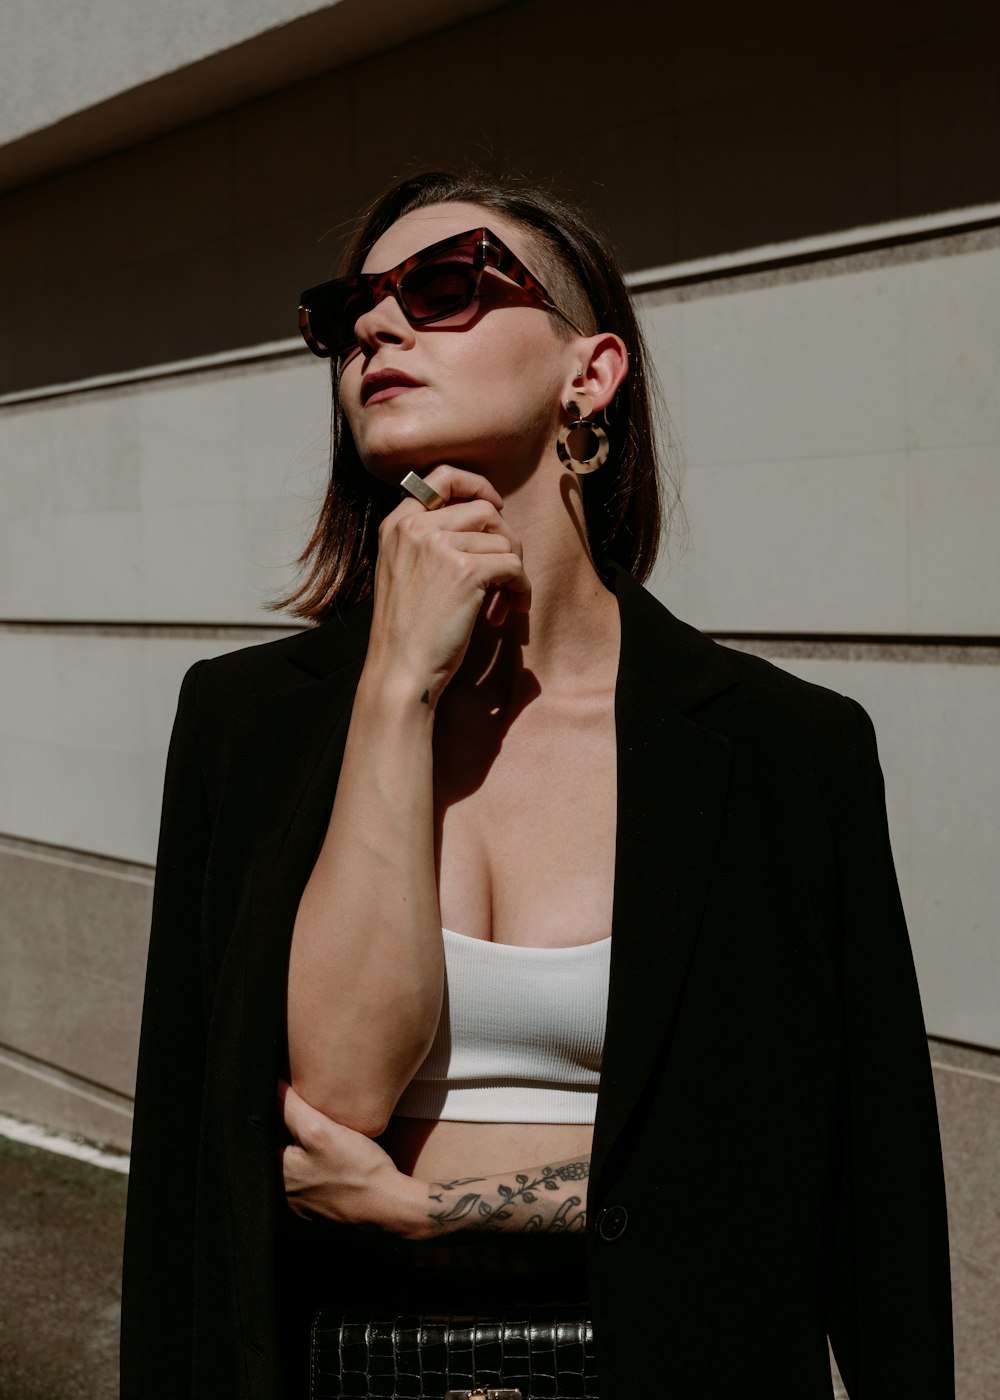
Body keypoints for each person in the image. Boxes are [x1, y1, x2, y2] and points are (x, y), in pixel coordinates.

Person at [120, 170, 954, 1400]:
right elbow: (305, 1110)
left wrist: (435, 1204)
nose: (375, 328)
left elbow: (849, 1183)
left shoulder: (790, 748)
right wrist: (395, 686)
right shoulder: (245, 723)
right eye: (350, 307)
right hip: (345, 1367)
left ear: (590, 372)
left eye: (444, 286)